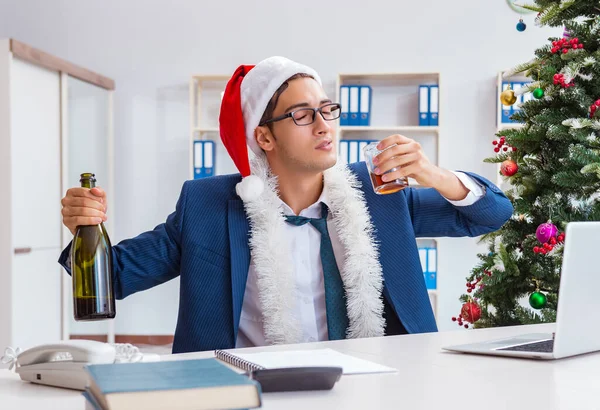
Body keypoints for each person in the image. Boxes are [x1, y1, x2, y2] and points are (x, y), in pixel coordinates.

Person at [59, 56, 513, 353]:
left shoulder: (377, 192)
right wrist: (85, 227)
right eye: (301, 114)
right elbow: (115, 277)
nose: (323, 125)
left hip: (380, 387)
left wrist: (434, 175)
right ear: (264, 136)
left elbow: (492, 213)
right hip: (251, 391)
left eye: (326, 109)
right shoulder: (208, 205)